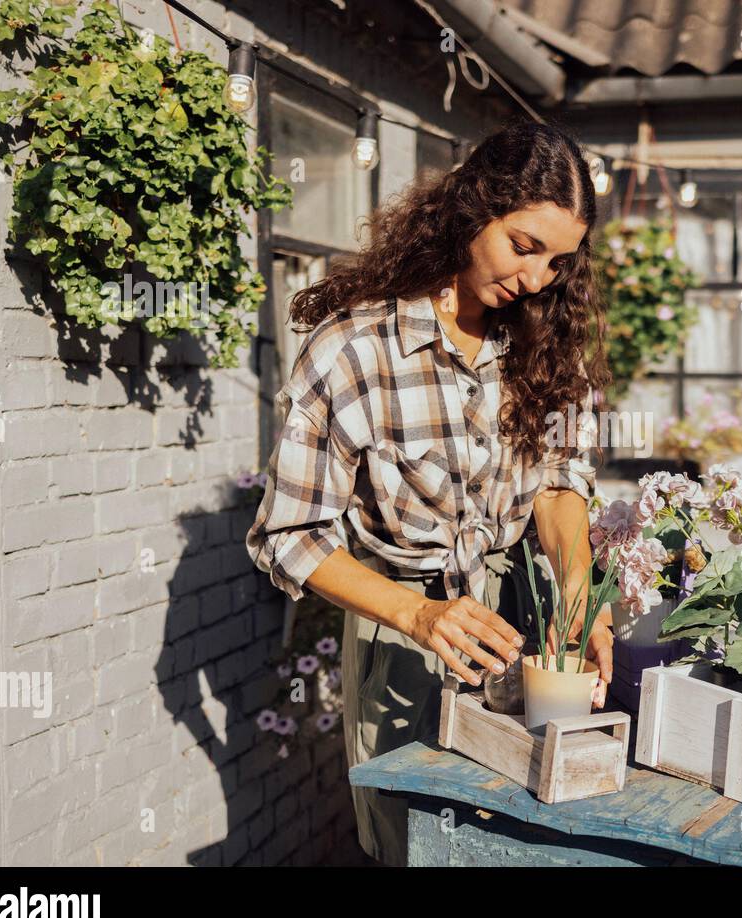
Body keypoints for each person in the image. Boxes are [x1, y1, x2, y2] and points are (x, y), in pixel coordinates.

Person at [246, 122, 615, 865]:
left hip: (520, 622)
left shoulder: (540, 337)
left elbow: (557, 478)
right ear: (475, 208)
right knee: (414, 845)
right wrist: (418, 612)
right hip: (403, 635)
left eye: (560, 261)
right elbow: (290, 535)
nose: (540, 279)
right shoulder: (354, 348)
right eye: (524, 246)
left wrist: (577, 589)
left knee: (523, 842)